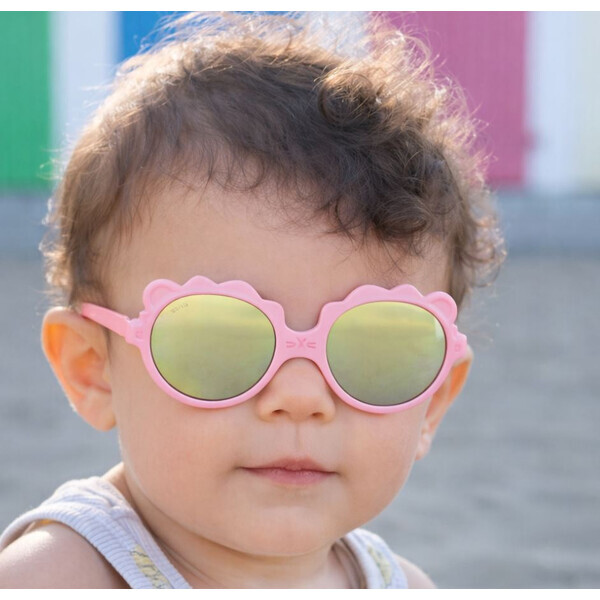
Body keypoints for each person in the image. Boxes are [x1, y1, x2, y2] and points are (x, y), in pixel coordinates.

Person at [0, 12, 504, 588]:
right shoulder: (52, 578)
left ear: (432, 403)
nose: (300, 398)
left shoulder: (403, 585)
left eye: (377, 351)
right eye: (222, 340)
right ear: (92, 369)